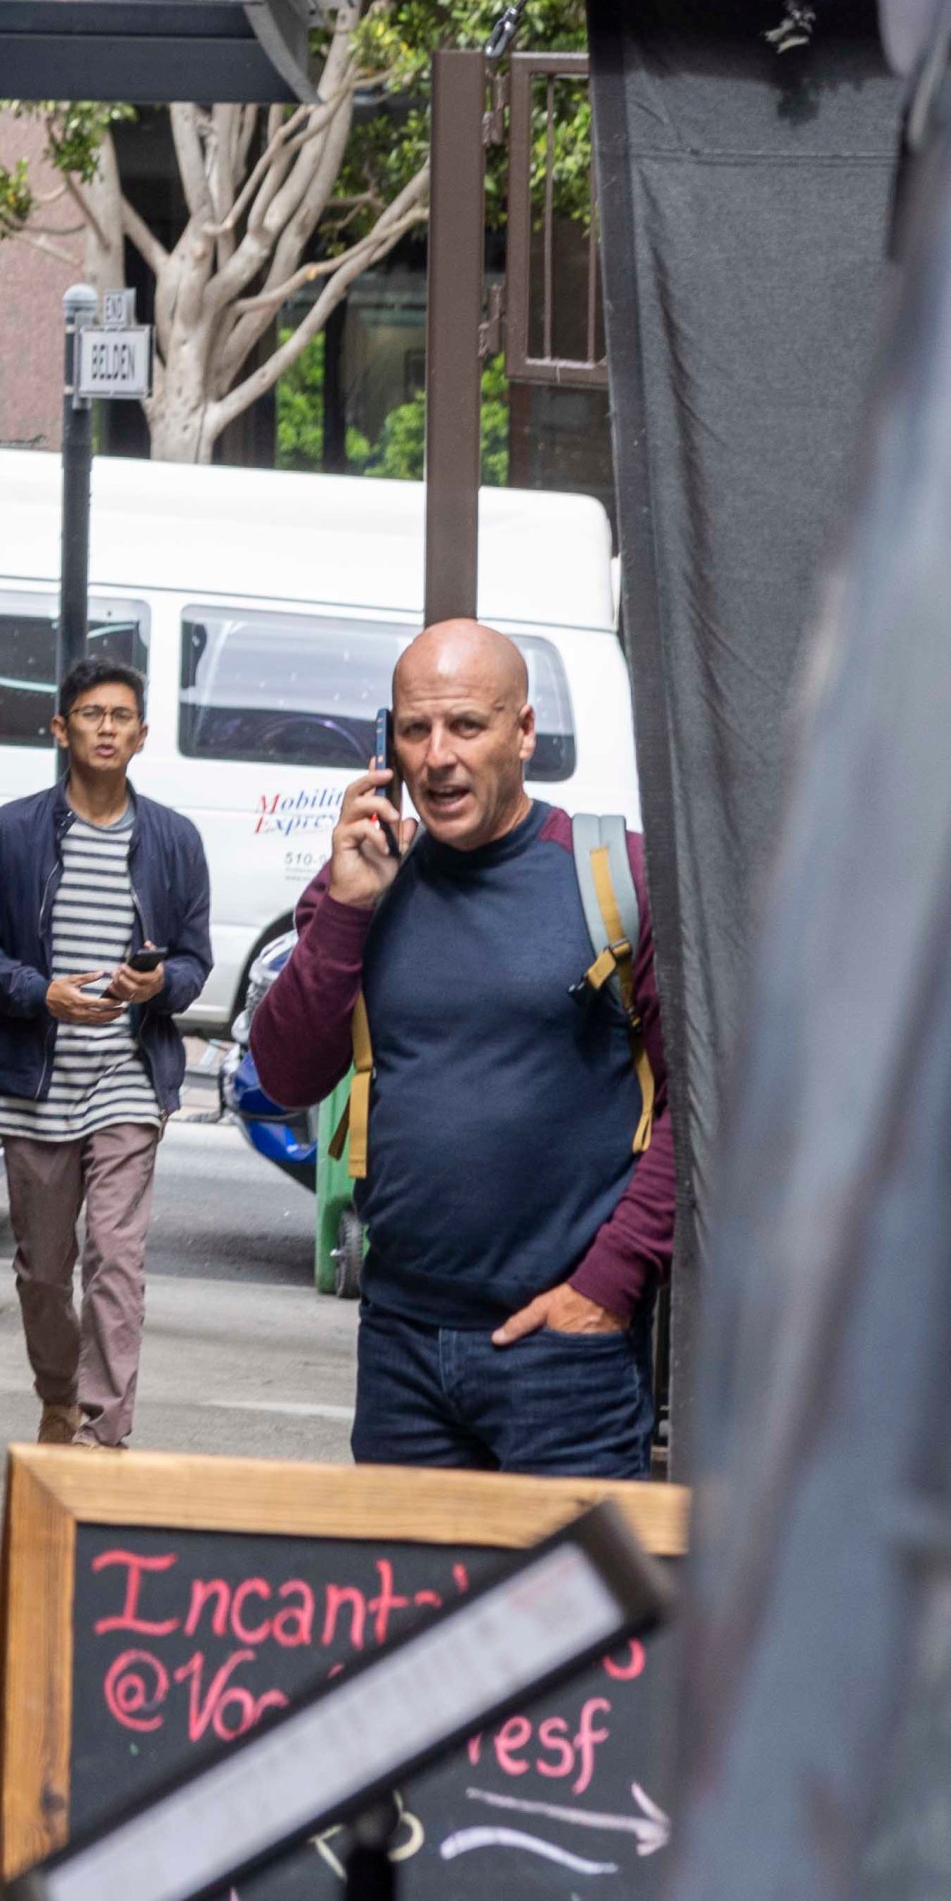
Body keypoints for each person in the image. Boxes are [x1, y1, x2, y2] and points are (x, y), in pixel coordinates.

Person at [244, 613, 670, 1474]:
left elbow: (708, 1107)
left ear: (523, 733)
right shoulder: (364, 877)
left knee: (572, 1613)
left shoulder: (613, 876)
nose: (438, 755)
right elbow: (286, 1070)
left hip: (565, 1358)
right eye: (415, 728)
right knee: (410, 1613)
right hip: (401, 1349)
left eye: (467, 725)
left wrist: (608, 1287)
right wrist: (349, 906)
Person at [0, 651, 212, 1451]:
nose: (107, 728)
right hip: (37, 1081)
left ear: (141, 734)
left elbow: (196, 964)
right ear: (61, 728)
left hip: (128, 1078)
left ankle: (104, 1432)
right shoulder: (15, 832)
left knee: (117, 1260)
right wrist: (39, 992)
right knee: (41, 1269)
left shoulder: (173, 839)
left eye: (121, 716)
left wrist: (156, 985)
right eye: (92, 714)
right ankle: (59, 1394)